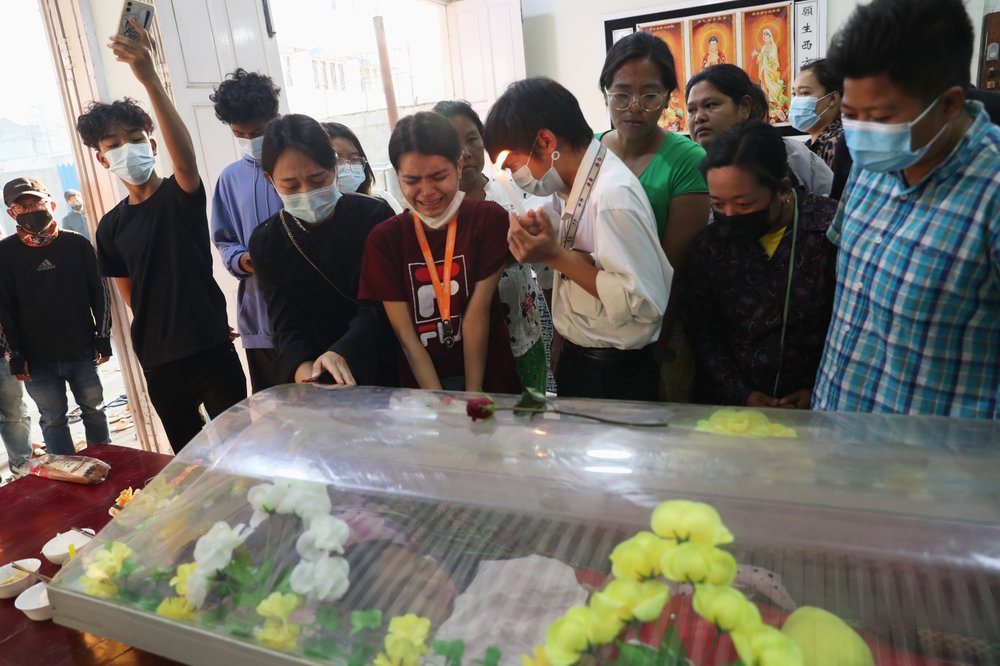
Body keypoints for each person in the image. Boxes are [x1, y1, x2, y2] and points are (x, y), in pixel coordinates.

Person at [813, 0, 1000, 418]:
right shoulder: (870, 164)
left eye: (881, 118)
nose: (862, 134)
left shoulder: (991, 193)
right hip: (837, 429)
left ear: (950, 104)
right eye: (850, 114)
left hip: (938, 451)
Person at [76, 19, 246, 452]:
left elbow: (185, 158)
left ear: (152, 146)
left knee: (242, 449)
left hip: (211, 348)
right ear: (102, 160)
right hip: (159, 361)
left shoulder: (179, 194)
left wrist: (149, 77)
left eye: (135, 138)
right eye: (113, 144)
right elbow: (134, 298)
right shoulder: (109, 227)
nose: (126, 148)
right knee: (190, 459)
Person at [484, 77, 673, 401]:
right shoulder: (571, 185)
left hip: (613, 374)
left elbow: (643, 303)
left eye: (514, 166)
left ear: (546, 141)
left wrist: (553, 255)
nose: (515, 178)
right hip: (583, 359)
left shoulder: (612, 196)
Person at [359, 111, 519, 394]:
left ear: (458, 165)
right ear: (398, 177)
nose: (427, 191)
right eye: (412, 180)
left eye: (438, 176)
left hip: (490, 380)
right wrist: (439, 402)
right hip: (422, 390)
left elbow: (477, 313)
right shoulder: (384, 240)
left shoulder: (488, 220)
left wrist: (472, 396)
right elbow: (406, 337)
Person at [681, 122, 838, 408]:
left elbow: (850, 324)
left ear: (783, 188)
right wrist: (740, 393)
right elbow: (702, 330)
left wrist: (818, 388)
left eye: (743, 204)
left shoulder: (830, 230)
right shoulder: (710, 245)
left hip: (819, 400)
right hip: (731, 408)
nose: (730, 214)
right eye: (718, 204)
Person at [597, 31, 710, 402]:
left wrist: (654, 356)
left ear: (667, 97)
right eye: (621, 94)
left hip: (660, 325)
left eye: (649, 95)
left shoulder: (687, 160)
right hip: (593, 326)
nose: (634, 107)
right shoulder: (589, 151)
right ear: (605, 93)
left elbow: (673, 270)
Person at [249, 114, 398, 386]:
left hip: (384, 363)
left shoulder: (374, 217)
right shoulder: (267, 242)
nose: (307, 192)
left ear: (334, 166)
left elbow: (381, 306)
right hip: (320, 376)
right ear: (270, 180)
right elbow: (286, 326)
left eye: (318, 180)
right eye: (291, 185)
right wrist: (306, 372)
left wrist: (343, 352)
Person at [432, 99, 551, 394]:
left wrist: (559, 331)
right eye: (451, 143)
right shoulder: (432, 212)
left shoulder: (516, 195)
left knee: (528, 416)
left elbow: (546, 268)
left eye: (472, 139)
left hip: (523, 339)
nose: (464, 152)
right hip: (463, 352)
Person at [0, 177, 111, 454]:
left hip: (82, 351)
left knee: (94, 410)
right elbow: (4, 309)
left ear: (50, 204)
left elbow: (100, 293)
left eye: (36, 202)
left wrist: (103, 336)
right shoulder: (4, 254)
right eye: (22, 206)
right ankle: (68, 473)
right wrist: (15, 354)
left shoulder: (77, 244)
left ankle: (108, 463)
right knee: (52, 420)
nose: (31, 210)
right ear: (11, 213)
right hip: (37, 360)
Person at [209, 68, 284, 393]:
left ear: (276, 118)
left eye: (259, 132)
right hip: (260, 320)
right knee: (274, 408)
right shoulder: (230, 179)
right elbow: (224, 241)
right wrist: (243, 260)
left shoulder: (299, 168)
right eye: (240, 134)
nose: (251, 141)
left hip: (309, 312)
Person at [687, 64, 833, 197]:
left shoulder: (791, 154)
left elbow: (833, 204)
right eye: (691, 110)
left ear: (744, 106)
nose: (698, 117)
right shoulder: (685, 166)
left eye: (711, 105)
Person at [790, 59, 853, 199]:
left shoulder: (839, 143)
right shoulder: (806, 147)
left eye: (804, 93)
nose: (795, 101)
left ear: (833, 98)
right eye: (794, 94)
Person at [320, 122, 403, 215]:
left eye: (354, 158)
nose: (347, 166)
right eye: (337, 160)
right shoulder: (318, 216)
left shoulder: (382, 203)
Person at [751, 28, 788, 123]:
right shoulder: (764, 48)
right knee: (764, 85)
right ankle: (768, 101)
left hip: (771, 71)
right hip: (764, 70)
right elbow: (761, 59)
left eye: (767, 36)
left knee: (772, 86)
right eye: (764, 37)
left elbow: (772, 58)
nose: (766, 38)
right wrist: (758, 55)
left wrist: (761, 55)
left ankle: (774, 101)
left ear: (770, 37)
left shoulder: (773, 46)